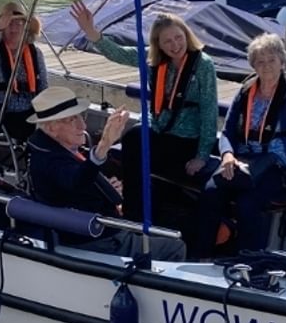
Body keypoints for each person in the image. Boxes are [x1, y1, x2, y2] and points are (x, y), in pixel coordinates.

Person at [68, 0, 218, 250]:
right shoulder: (155, 63)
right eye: (167, 41)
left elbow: (209, 112)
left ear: (186, 36)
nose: (175, 45)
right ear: (158, 45)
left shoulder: (203, 65)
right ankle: (134, 215)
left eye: (178, 38)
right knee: (133, 137)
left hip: (186, 140)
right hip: (159, 133)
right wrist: (91, 32)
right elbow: (119, 53)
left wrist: (202, 156)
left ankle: (145, 213)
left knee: (139, 145)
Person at [24, 87, 185, 261]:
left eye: (81, 116)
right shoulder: (48, 161)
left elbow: (79, 180)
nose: (83, 125)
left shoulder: (51, 149)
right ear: (52, 128)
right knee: (176, 246)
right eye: (72, 120)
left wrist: (107, 187)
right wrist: (105, 144)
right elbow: (76, 180)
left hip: (100, 227)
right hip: (98, 240)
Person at [203, 33, 286, 253]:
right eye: (260, 62)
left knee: (248, 203)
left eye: (272, 60)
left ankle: (249, 261)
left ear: (282, 62)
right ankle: (202, 253)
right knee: (211, 191)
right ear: (253, 66)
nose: (266, 66)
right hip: (243, 160)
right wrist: (227, 155)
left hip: (278, 167)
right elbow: (227, 132)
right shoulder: (245, 91)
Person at [0, 1, 49, 145]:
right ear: (2, 27)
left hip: (30, 111)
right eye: (9, 23)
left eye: (19, 23)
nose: (14, 27)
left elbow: (43, 86)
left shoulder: (35, 53)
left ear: (25, 27)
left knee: (60, 118)